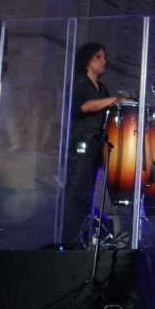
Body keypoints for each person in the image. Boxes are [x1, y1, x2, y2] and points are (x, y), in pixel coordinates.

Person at [62, 42, 124, 244]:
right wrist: (114, 100)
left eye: (104, 57)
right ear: (88, 59)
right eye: (99, 57)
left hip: (96, 146)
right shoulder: (80, 82)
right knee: (76, 191)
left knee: (89, 192)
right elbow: (85, 107)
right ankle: (68, 240)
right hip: (81, 143)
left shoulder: (102, 88)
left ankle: (81, 238)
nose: (103, 61)